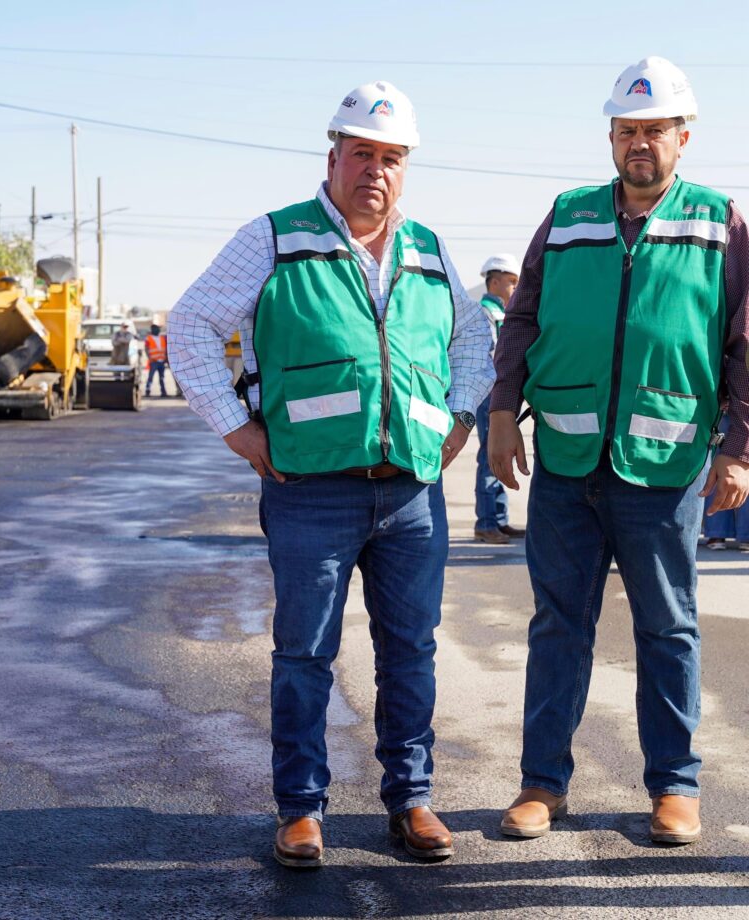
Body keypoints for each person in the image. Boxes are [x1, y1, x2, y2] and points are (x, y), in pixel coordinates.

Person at [169, 80, 494, 867]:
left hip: (410, 492)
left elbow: (473, 344)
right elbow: (190, 325)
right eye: (361, 155)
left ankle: (412, 801)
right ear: (333, 157)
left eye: (390, 158)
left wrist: (453, 425)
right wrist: (240, 432)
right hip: (311, 490)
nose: (374, 172)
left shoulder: (428, 249)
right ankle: (300, 809)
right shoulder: (274, 238)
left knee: (411, 650)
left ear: (404, 168)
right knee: (305, 651)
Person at [488, 57, 749, 845]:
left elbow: (745, 343)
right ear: (610, 135)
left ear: (683, 137)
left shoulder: (721, 221)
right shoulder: (567, 215)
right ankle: (542, 784)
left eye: (655, 131)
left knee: (668, 629)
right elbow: (523, 320)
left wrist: (738, 446)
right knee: (557, 626)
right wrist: (504, 411)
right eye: (628, 131)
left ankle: (675, 787)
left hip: (661, 470)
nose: (641, 144)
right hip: (567, 467)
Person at [474, 254, 521, 544]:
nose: (515, 288)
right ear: (494, 282)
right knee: (491, 456)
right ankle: (486, 522)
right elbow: (489, 355)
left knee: (502, 457)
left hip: (499, 392)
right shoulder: (484, 313)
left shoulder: (503, 313)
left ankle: (500, 520)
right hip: (489, 393)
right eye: (511, 282)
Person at [703, 408, 749, 550]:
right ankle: (746, 535)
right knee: (743, 468)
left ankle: (717, 534)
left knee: (718, 467)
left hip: (724, 404)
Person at [144, 324, 169, 397]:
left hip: (162, 361)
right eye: (157, 328)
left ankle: (163, 392)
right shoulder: (148, 338)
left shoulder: (162, 338)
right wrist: (149, 358)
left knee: (162, 377)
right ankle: (147, 390)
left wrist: (166, 358)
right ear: (153, 329)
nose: (159, 330)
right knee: (150, 377)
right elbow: (146, 349)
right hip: (154, 361)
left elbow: (165, 349)